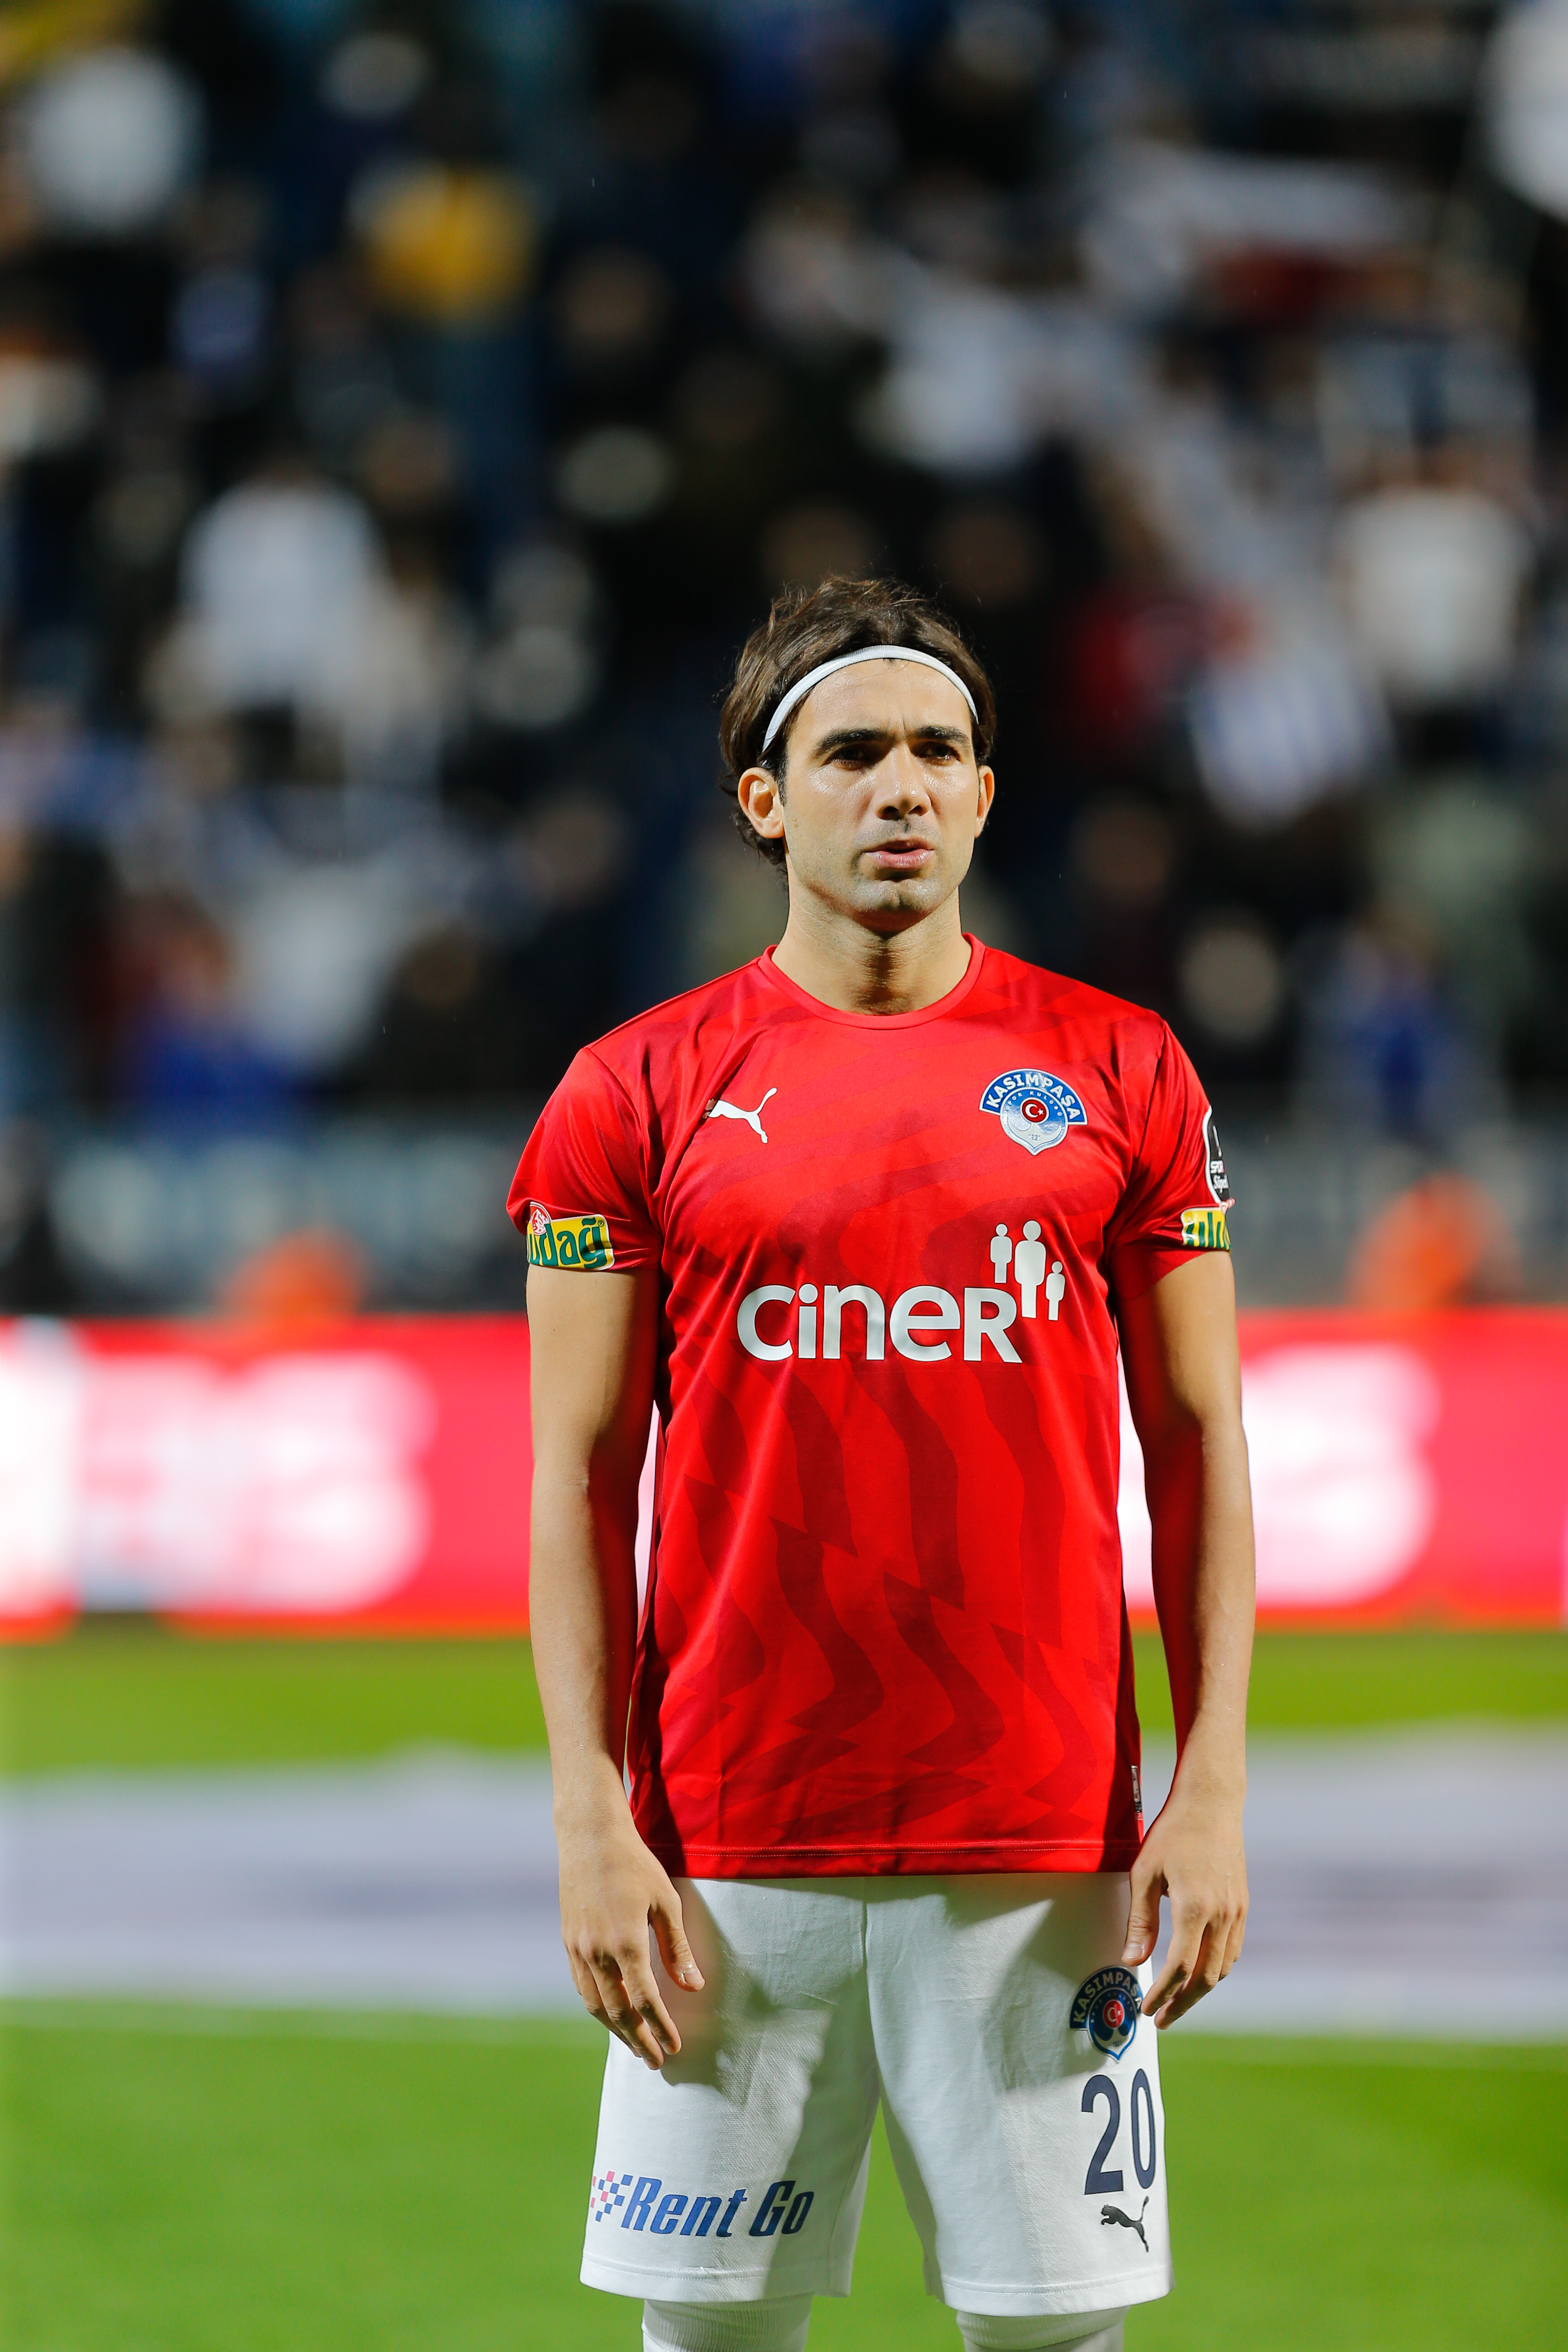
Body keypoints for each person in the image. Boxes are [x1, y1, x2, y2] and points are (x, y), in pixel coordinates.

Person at [513, 576, 1253, 2352]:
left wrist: (1213, 1781)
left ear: (986, 794)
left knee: (1055, 2336)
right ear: (767, 799)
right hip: (725, 1847)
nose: (901, 785)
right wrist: (590, 1818)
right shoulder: (632, 1092)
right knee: (713, 2340)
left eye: (938, 750)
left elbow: (1201, 1442)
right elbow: (577, 1473)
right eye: (853, 752)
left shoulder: (1124, 1070)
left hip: (1045, 1843)